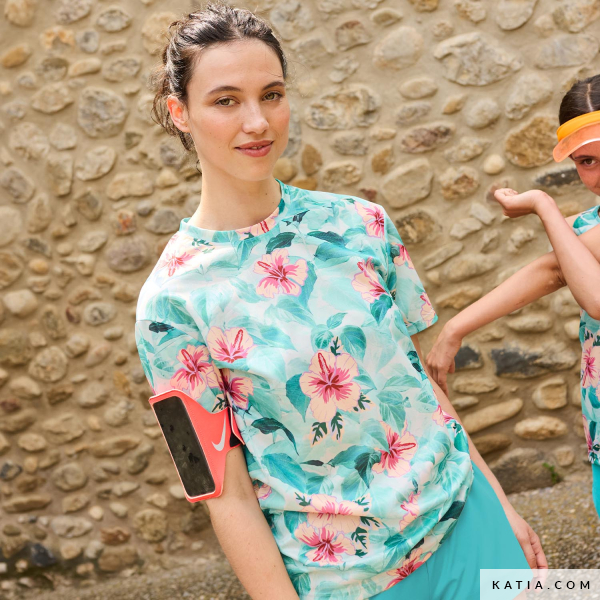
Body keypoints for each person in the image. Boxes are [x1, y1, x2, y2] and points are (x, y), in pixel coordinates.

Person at [134, 5, 545, 599]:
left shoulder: (361, 223)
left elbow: (420, 386)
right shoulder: (169, 305)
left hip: (470, 520)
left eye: (272, 95)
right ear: (180, 113)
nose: (258, 122)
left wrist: (500, 503)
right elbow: (223, 493)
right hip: (346, 582)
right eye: (226, 101)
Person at [426, 74, 600, 519]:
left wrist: (542, 205)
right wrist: (454, 328)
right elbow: (551, 270)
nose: (599, 174)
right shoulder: (588, 225)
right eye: (587, 161)